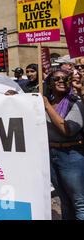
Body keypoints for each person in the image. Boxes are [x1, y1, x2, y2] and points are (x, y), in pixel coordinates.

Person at [43, 69, 84, 220]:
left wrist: (47, 106)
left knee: (79, 203)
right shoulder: (41, 102)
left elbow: (68, 130)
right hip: (51, 155)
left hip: (71, 155)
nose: (61, 81)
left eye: (65, 78)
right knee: (64, 201)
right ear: (49, 84)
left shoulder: (76, 103)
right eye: (56, 79)